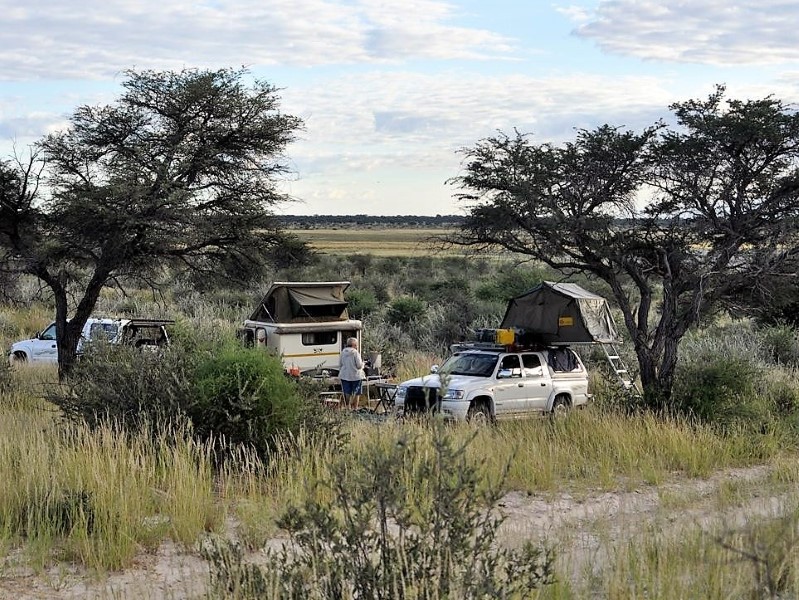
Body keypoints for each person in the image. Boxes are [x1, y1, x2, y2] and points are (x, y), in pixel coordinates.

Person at [339, 337, 365, 410]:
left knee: (347, 392)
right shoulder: (355, 353)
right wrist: (363, 364)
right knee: (356, 392)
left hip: (345, 375)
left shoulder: (343, 352)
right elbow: (359, 365)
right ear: (353, 345)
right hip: (356, 376)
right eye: (356, 344)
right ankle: (355, 408)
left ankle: (347, 407)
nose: (357, 346)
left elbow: (340, 364)